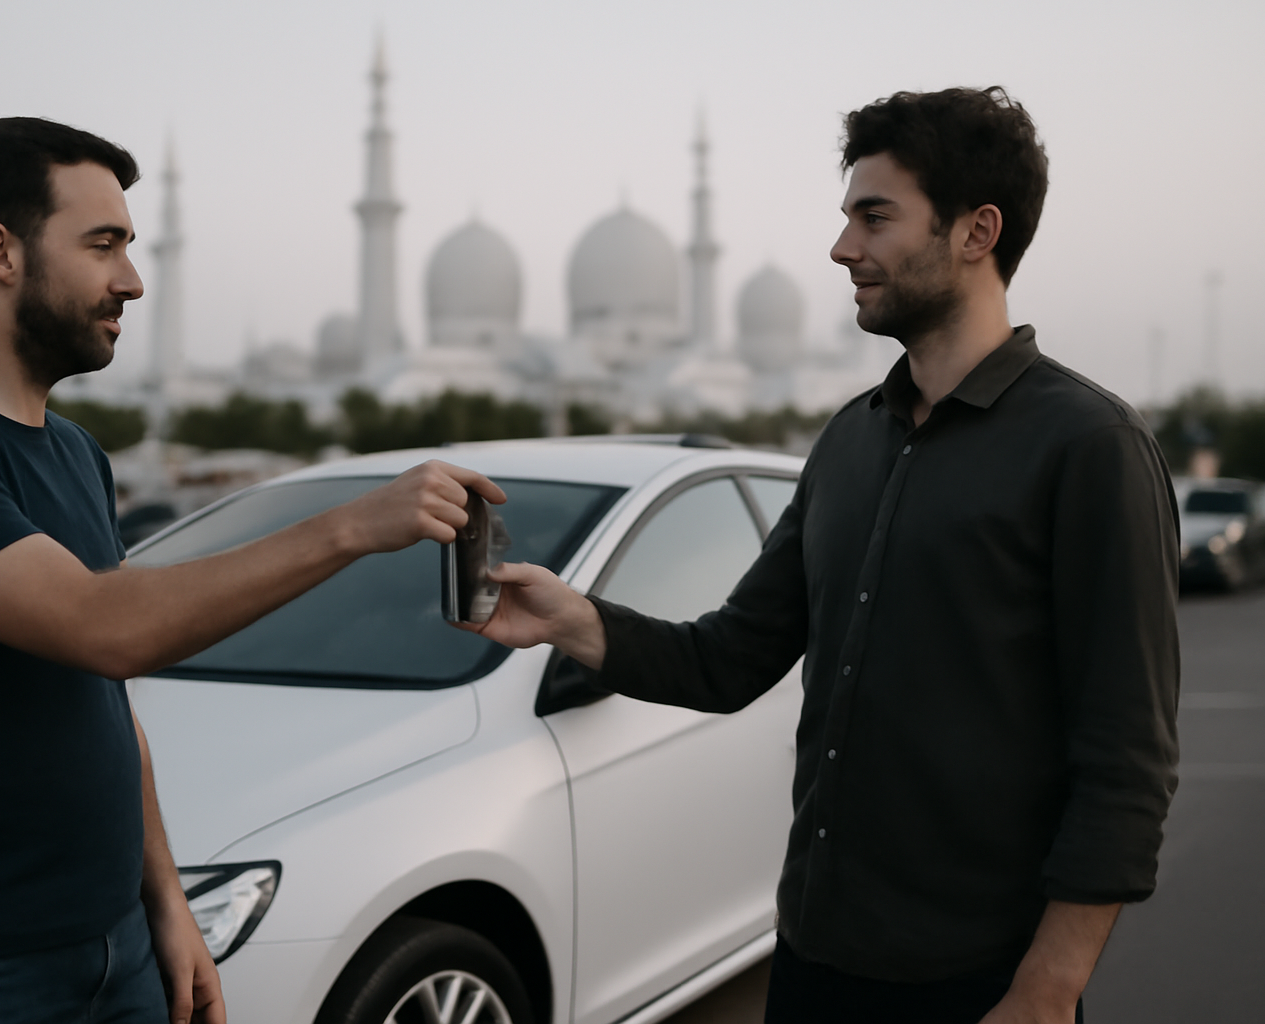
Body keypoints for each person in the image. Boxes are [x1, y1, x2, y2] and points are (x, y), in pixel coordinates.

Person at [466, 88, 1179, 1023]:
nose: (843, 247)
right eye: (848, 218)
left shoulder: (1089, 447)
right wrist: (573, 620)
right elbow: (728, 658)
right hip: (812, 962)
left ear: (977, 231)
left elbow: (1127, 757)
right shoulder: (849, 440)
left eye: (874, 217)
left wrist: (1048, 988)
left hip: (979, 983)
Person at [0, 117, 502, 1024]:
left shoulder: (77, 454)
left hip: (118, 951)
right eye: (102, 246)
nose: (131, 280)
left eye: (130, 246)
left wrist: (166, 903)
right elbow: (109, 628)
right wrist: (352, 527)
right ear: (0, 252)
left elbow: (104, 698)